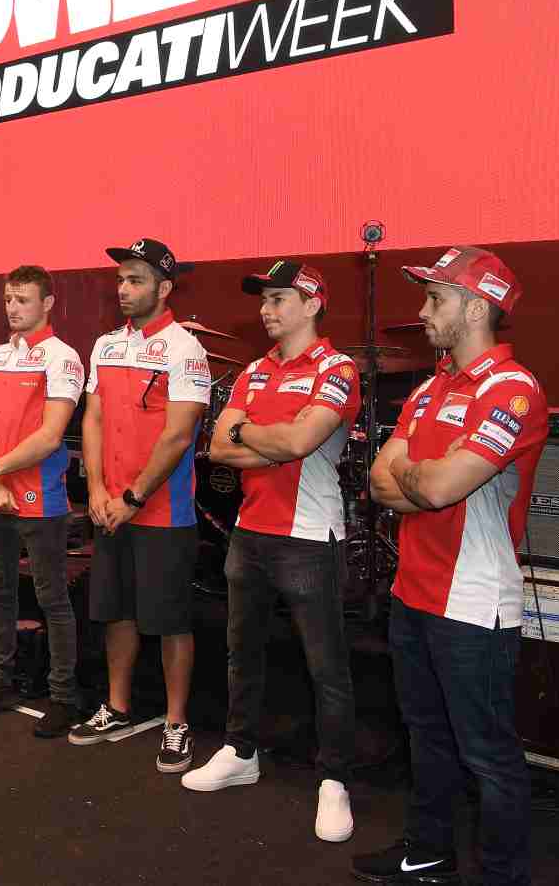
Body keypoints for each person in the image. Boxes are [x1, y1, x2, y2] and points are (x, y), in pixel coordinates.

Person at [355, 248, 547, 886]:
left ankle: (503, 876)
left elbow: (436, 488)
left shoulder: (512, 389)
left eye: (435, 298)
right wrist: (426, 475)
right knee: (426, 736)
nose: (422, 311)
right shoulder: (430, 387)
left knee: (487, 756)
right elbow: (379, 482)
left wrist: (417, 474)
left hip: (473, 602)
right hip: (414, 590)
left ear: (476, 308)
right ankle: (428, 852)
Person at [185, 261, 360, 840]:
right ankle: (241, 751)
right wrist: (272, 442)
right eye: (263, 299)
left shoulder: (337, 368)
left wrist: (255, 435)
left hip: (310, 536)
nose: (266, 309)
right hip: (250, 530)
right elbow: (218, 445)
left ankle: (334, 780)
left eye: (279, 298)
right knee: (242, 652)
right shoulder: (254, 371)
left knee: (326, 668)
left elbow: (301, 440)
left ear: (312, 304)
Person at [71, 239, 209, 773]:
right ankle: (118, 706)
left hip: (162, 512)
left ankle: (176, 723)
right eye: (121, 280)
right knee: (116, 611)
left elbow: (178, 435)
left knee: (170, 620)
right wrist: (97, 491)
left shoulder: (185, 349)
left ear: (164, 288)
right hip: (110, 507)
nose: (124, 289)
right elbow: (93, 418)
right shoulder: (105, 345)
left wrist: (133, 496)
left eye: (136, 280)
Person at [0, 265, 85, 738]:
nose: (13, 308)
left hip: (39, 499)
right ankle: (1, 681)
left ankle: (63, 696)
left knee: (52, 598)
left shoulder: (63, 357)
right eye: (9, 299)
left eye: (24, 300)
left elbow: (51, 436)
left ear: (47, 303)